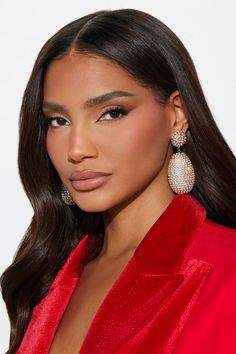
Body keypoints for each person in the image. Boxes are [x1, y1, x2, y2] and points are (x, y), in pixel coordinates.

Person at [1, 8, 236, 354]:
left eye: (111, 113)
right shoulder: (48, 277)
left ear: (177, 115)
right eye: (58, 121)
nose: (77, 149)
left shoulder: (225, 272)